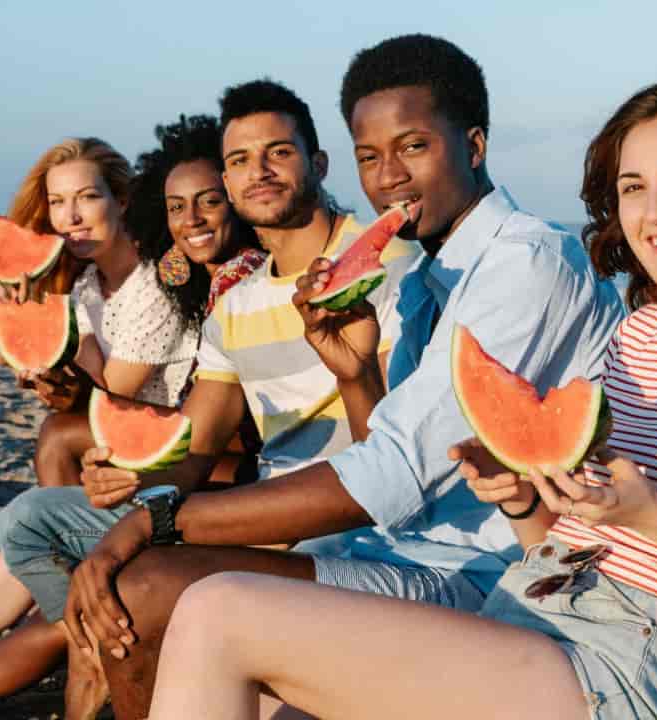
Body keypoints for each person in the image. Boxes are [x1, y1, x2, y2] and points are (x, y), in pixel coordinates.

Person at [144, 74, 657, 720]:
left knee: (217, 611)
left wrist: (655, 518)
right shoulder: (641, 332)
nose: (656, 211)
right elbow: (569, 540)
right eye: (633, 187)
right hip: (529, 604)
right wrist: (522, 501)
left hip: (625, 663)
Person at [53, 36, 625, 718]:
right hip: (405, 552)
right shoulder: (426, 277)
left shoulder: (526, 264)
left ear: (473, 146)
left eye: (414, 147)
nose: (388, 177)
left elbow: (393, 476)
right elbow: (395, 465)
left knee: (145, 584)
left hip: (488, 577)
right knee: (146, 588)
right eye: (369, 157)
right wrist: (353, 375)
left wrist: (159, 518)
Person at [0, 78, 423, 718]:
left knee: (133, 584)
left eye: (278, 152)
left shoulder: (392, 267)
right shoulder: (236, 304)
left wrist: (353, 374)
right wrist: (129, 474)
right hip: (258, 514)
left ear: (318, 162)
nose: (259, 172)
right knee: (27, 521)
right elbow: (191, 451)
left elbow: (391, 461)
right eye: (241, 160)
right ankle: (93, 653)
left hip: (348, 525)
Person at [0, 122, 267, 719]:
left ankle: (66, 637)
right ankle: (59, 628)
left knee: (55, 449)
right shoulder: (91, 281)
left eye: (86, 197)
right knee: (56, 441)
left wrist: (48, 335)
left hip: (194, 449)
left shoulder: (157, 280)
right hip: (157, 440)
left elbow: (111, 386)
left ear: (121, 200)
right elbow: (44, 363)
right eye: (58, 202)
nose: (69, 216)